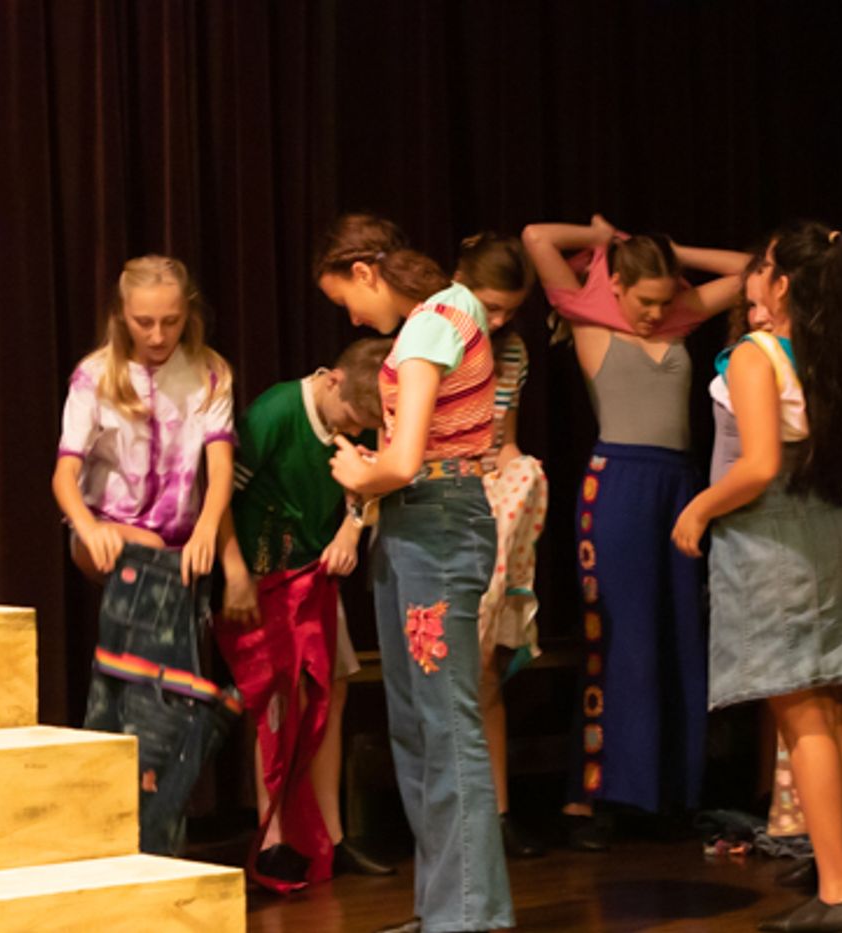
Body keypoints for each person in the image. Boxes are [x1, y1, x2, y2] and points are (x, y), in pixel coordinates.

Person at [672, 221, 842, 932]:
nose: (754, 274)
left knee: (804, 712)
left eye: (764, 266)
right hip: (826, 529)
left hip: (771, 541)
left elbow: (756, 465)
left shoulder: (756, 354)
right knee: (834, 707)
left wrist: (698, 507)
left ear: (781, 284)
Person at [316, 213, 530, 933]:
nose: (352, 314)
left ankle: (468, 912)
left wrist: (358, 470)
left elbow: (403, 459)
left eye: (348, 297)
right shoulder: (440, 317)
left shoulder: (434, 322)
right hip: (416, 520)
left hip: (433, 515)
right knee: (416, 723)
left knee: (444, 721)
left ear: (367, 273)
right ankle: (445, 905)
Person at [522, 214, 748, 848]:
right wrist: (602, 242)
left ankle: (662, 792)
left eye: (663, 299)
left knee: (677, 635)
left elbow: (754, 269)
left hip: (680, 485)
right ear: (615, 285)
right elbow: (538, 238)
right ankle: (586, 799)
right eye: (643, 300)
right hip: (617, 485)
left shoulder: (677, 315)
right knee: (618, 641)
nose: (653, 313)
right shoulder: (590, 321)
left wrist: (678, 253)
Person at [53, 254, 239, 854]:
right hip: (107, 535)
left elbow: (219, 466)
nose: (158, 336)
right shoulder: (96, 375)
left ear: (188, 315)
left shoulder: (209, 373)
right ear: (121, 317)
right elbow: (64, 474)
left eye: (170, 321)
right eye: (143, 323)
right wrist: (88, 523)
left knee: (143, 677)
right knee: (152, 554)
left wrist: (212, 530)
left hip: (173, 556)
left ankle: (141, 797)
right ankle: (156, 796)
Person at [215, 337, 396, 889]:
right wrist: (235, 573)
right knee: (277, 700)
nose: (360, 430)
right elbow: (222, 493)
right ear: (333, 381)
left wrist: (352, 523)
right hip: (264, 579)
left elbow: (373, 482)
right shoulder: (275, 414)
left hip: (315, 579)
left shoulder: (358, 424)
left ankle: (330, 836)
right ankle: (273, 839)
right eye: (355, 417)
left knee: (331, 690)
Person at [453, 232, 550, 859]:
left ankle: (498, 810)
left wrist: (517, 472)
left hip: (489, 494)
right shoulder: (432, 340)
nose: (497, 321)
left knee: (485, 665)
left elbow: (504, 436)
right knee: (452, 663)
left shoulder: (510, 353)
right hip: (445, 498)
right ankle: (455, 818)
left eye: (509, 310)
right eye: (488, 305)